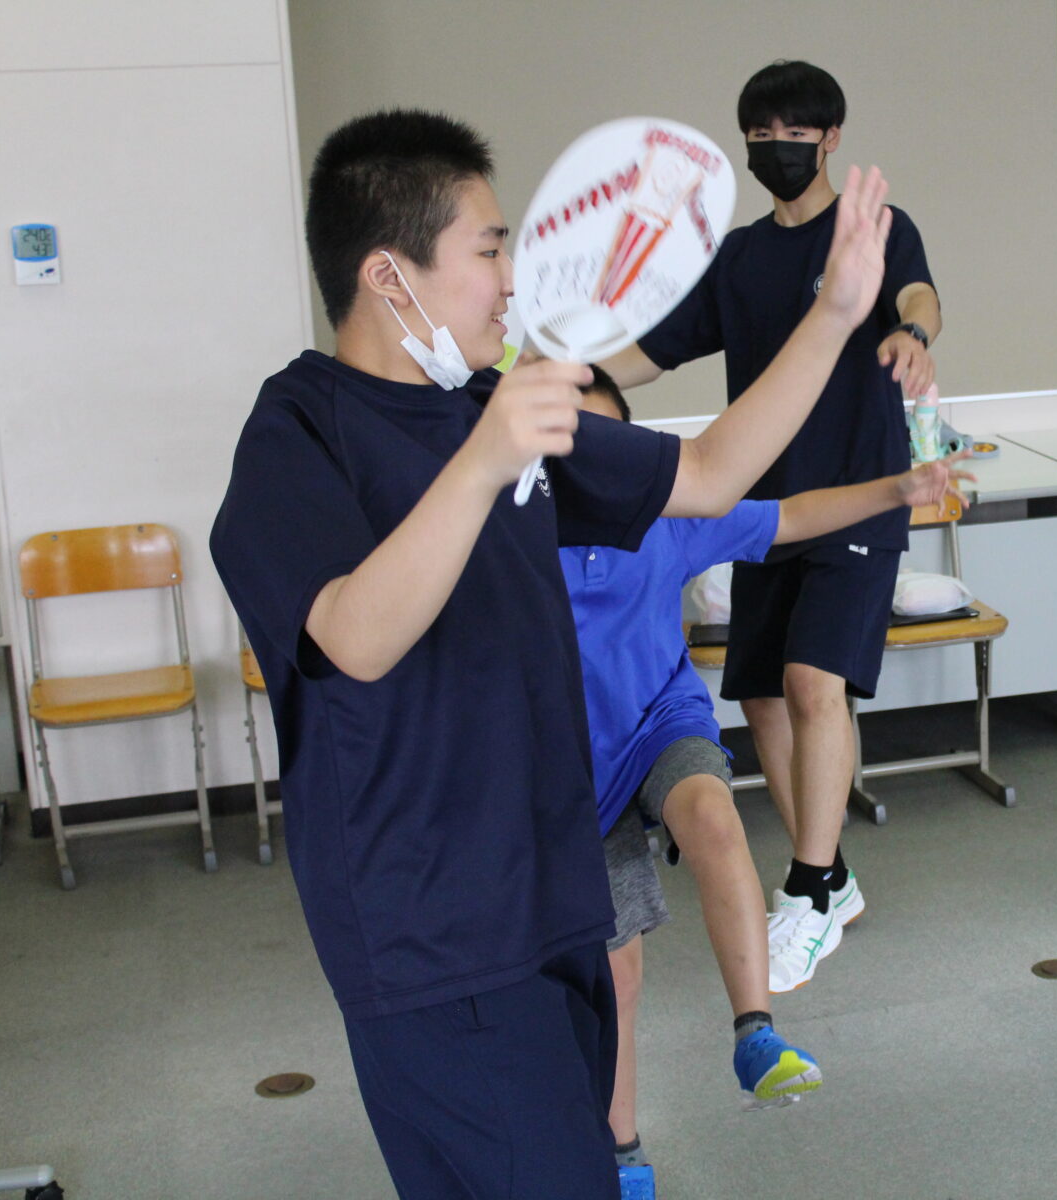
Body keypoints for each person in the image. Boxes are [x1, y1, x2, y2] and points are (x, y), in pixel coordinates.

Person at [210, 108, 895, 1199]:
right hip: (431, 927)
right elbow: (349, 638)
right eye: (488, 249)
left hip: (550, 889)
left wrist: (834, 313)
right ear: (391, 277)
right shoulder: (299, 431)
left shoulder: (491, 407)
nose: (511, 280)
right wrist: (485, 463)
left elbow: (712, 472)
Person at [564, 370, 972, 1194]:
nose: (595, 467)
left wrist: (897, 486)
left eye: (612, 446)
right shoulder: (508, 537)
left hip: (658, 724)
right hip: (568, 765)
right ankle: (623, 1155)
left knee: (713, 815)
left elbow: (788, 518)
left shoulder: (666, 522)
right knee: (619, 976)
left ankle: (756, 1034)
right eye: (575, 446)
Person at [603, 61, 942, 992]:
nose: (775, 149)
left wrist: (914, 333)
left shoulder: (873, 232)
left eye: (794, 133)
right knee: (760, 696)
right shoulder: (743, 258)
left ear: (830, 139)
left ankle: (806, 887)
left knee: (811, 681)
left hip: (862, 494)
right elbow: (651, 352)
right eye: (759, 135)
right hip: (760, 511)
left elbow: (917, 296)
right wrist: (567, 377)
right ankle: (832, 877)